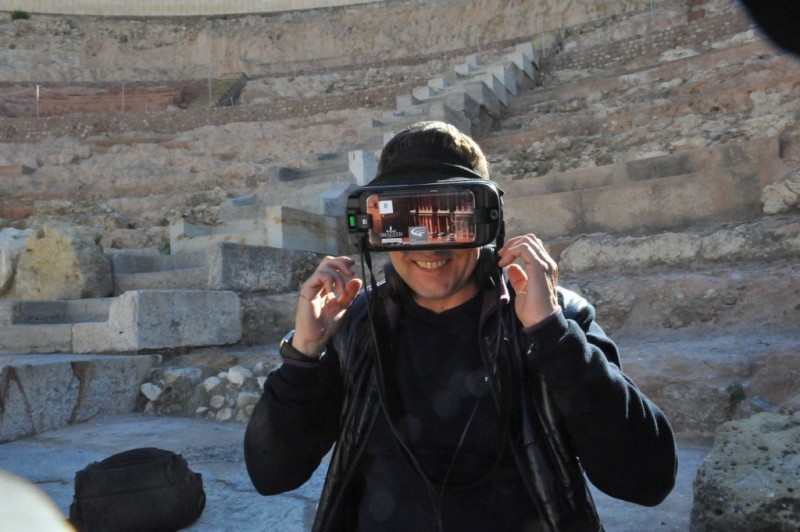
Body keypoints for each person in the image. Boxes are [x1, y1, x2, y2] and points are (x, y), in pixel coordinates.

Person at [245, 121, 677, 531]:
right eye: (403, 221)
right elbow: (271, 474)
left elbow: (647, 480)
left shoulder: (554, 321)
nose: (429, 244)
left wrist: (552, 334)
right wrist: (304, 353)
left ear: (488, 222)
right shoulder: (355, 329)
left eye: (450, 217)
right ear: (375, 231)